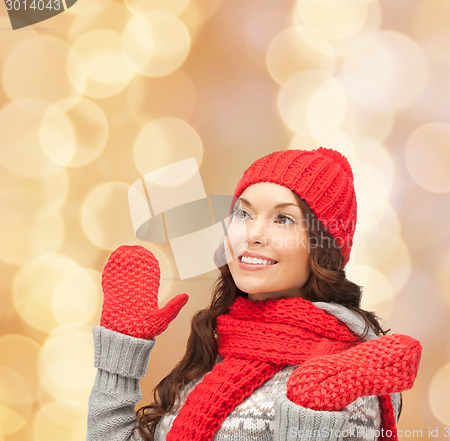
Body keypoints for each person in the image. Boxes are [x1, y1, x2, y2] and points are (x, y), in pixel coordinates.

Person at [87, 147, 422, 441]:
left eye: (284, 219)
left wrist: (312, 419)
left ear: (322, 247)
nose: (253, 234)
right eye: (243, 213)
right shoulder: (215, 352)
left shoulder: (348, 376)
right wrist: (119, 357)